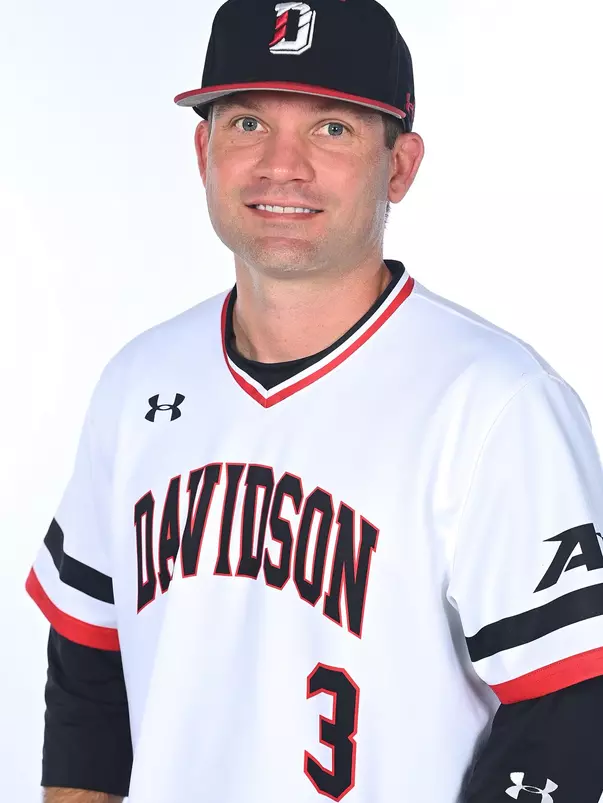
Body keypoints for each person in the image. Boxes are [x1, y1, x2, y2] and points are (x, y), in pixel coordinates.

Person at [26, 0, 603, 801]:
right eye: (247, 124)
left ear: (398, 164)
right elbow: (89, 668)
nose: (280, 165)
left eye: (331, 128)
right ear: (204, 150)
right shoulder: (138, 382)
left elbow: (568, 710)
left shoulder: (497, 402)